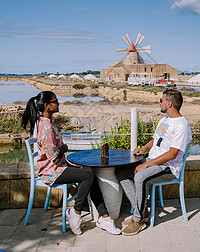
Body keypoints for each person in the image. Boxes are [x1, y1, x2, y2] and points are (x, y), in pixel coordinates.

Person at [22, 91, 121, 235]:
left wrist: (62, 148)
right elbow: (53, 157)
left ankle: (104, 218)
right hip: (52, 171)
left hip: (59, 167)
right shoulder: (46, 127)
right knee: (88, 175)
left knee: (89, 174)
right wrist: (63, 148)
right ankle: (76, 212)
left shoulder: (49, 123)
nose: (58, 103)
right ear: (46, 106)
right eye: (55, 101)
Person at [115, 89, 192, 236]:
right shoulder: (164, 120)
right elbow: (156, 139)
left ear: (169, 103)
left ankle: (138, 220)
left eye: (161, 100)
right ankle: (142, 212)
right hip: (154, 161)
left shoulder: (182, 125)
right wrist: (143, 149)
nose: (160, 102)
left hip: (168, 167)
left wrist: (146, 164)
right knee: (121, 172)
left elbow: (172, 154)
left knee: (140, 177)